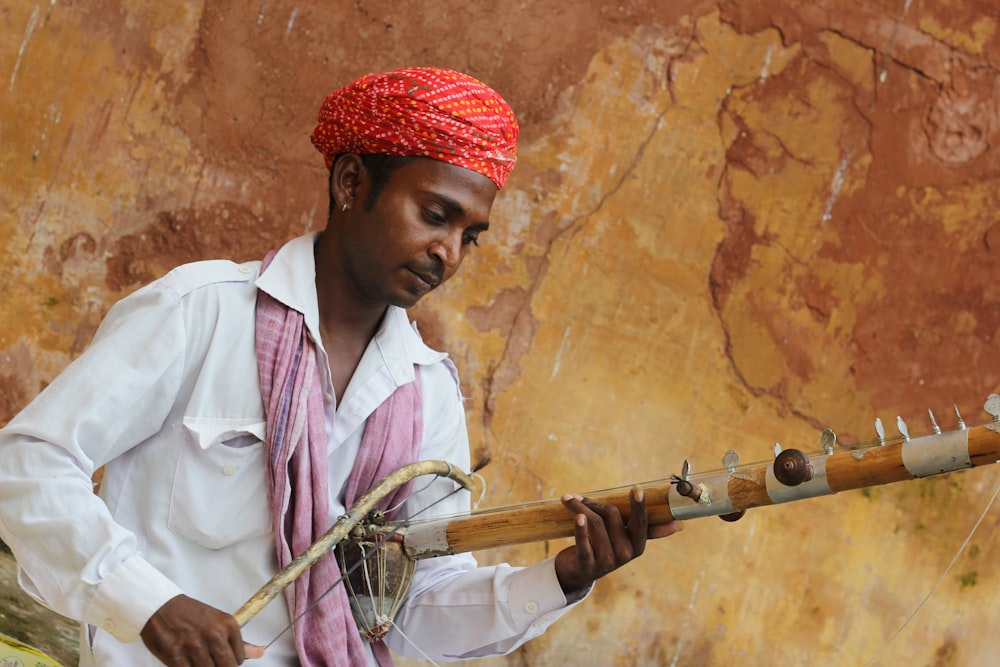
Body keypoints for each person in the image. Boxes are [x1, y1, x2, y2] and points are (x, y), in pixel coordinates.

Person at [0, 67, 679, 666]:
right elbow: (25, 466)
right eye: (434, 215)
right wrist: (150, 602)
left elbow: (413, 609)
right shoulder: (199, 311)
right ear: (351, 181)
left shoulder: (426, 389)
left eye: (468, 236)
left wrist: (564, 573)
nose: (448, 254)